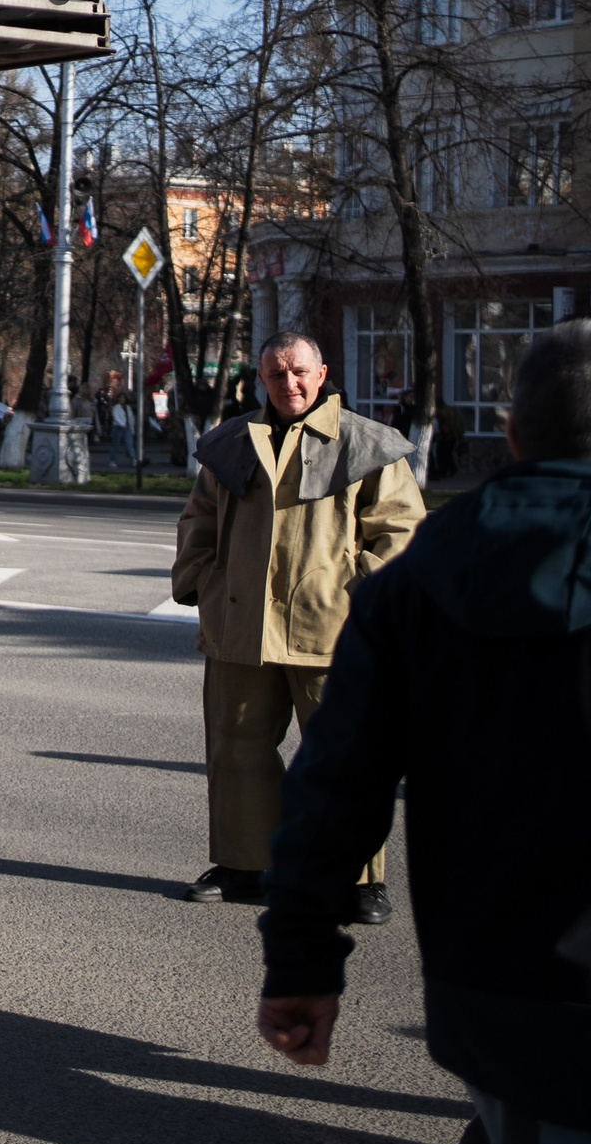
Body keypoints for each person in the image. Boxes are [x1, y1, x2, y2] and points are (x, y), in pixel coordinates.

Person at [256, 321, 591, 1144]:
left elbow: (336, 783)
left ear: (511, 433)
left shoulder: (420, 576)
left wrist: (302, 961)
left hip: (489, 981)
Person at [171, 332, 423, 921]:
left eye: (300, 371)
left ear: (322, 373)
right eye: (277, 373)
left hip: (334, 632)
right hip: (240, 627)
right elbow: (199, 518)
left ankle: (359, 881)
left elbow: (402, 534)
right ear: (261, 379)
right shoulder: (231, 442)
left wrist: (357, 595)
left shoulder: (366, 444)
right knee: (236, 748)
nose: (289, 383)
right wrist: (204, 581)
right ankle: (244, 865)